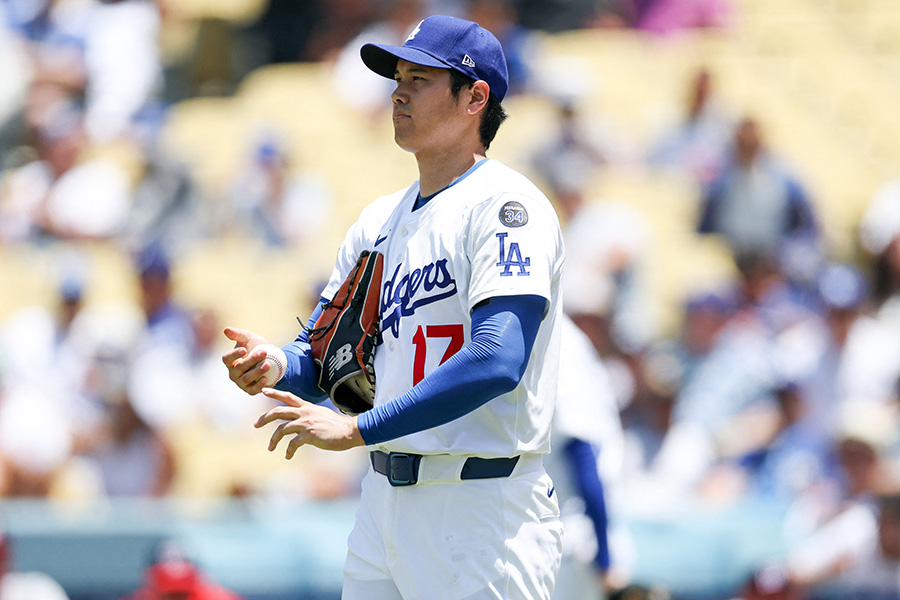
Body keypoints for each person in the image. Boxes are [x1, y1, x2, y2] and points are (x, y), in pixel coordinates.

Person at [223, 14, 566, 600]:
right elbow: (330, 358)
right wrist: (278, 365)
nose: (398, 91)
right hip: (383, 504)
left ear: (475, 97)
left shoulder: (507, 207)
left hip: (481, 508)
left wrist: (358, 428)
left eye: (422, 78)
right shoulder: (379, 220)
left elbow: (496, 357)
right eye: (397, 76)